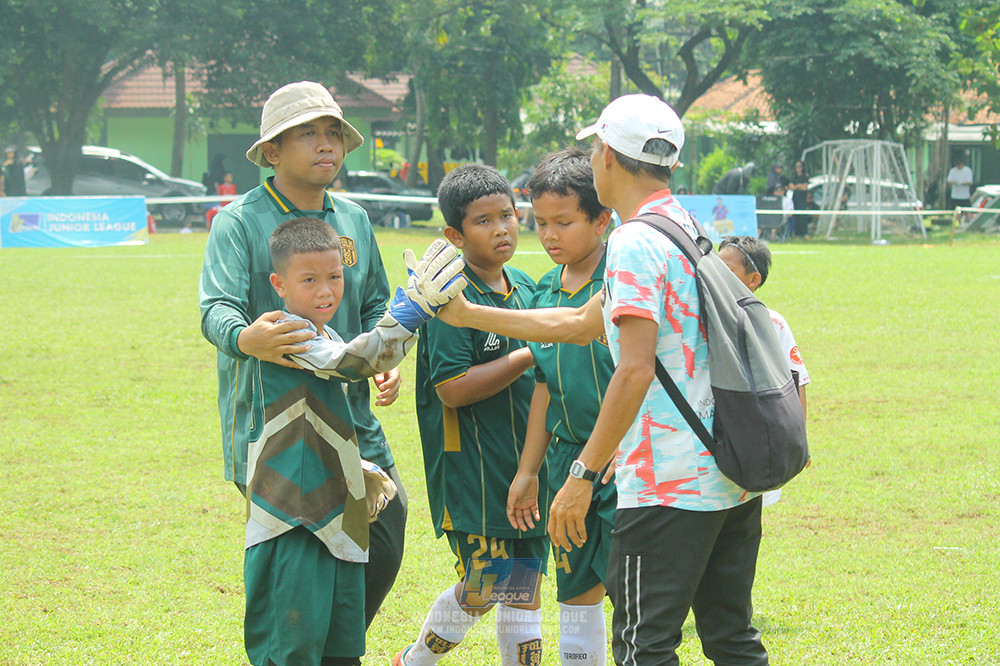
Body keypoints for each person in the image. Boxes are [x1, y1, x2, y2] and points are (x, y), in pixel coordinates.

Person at [437, 93, 770, 665]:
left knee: (644, 647)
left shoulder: (634, 241)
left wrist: (582, 472)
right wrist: (472, 315)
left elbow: (635, 367)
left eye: (596, 146)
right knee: (730, 639)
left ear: (610, 155)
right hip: (725, 471)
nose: (593, 156)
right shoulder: (679, 224)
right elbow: (583, 323)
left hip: (668, 482)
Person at [199, 81, 408, 636]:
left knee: (386, 531)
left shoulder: (356, 221)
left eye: (333, 132)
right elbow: (216, 308)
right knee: (300, 567)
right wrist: (247, 338)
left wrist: (385, 356)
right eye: (309, 134)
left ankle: (330, 647)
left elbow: (374, 304)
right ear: (272, 151)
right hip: (276, 428)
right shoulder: (238, 221)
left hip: (353, 422)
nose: (326, 144)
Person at [240, 217, 464, 666]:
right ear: (278, 285)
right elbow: (348, 362)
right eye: (309, 280)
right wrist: (409, 312)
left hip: (335, 518)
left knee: (342, 647)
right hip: (293, 521)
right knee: (293, 648)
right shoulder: (286, 331)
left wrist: (355, 467)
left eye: (335, 277)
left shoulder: (328, 332)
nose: (326, 290)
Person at [394, 164, 549, 666]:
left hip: (526, 463)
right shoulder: (449, 297)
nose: (502, 228)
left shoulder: (525, 286)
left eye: (507, 214)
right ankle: (415, 660)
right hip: (472, 470)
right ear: (454, 235)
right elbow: (452, 390)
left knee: (522, 585)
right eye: (484, 221)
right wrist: (531, 351)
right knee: (486, 584)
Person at [506, 147, 616, 665]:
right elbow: (544, 388)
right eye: (540, 222)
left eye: (564, 222)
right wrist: (528, 473)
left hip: (624, 462)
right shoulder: (542, 292)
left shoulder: (624, 279)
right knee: (574, 594)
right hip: (564, 462)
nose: (549, 235)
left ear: (601, 220)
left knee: (635, 596)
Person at [717, 235, 809, 507]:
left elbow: (796, 381)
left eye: (728, 271)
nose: (718, 276)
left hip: (758, 439)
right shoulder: (705, 318)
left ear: (753, 280)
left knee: (750, 506)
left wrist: (798, 440)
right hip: (719, 438)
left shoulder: (773, 323)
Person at [788, 160, 810, 238]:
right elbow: (791, 187)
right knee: (796, 215)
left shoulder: (805, 176)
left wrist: (796, 186)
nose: (798, 168)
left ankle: (805, 233)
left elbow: (805, 187)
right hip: (795, 198)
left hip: (802, 199)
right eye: (797, 166)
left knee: (802, 215)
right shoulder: (794, 176)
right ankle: (797, 233)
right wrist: (799, 186)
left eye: (800, 166)